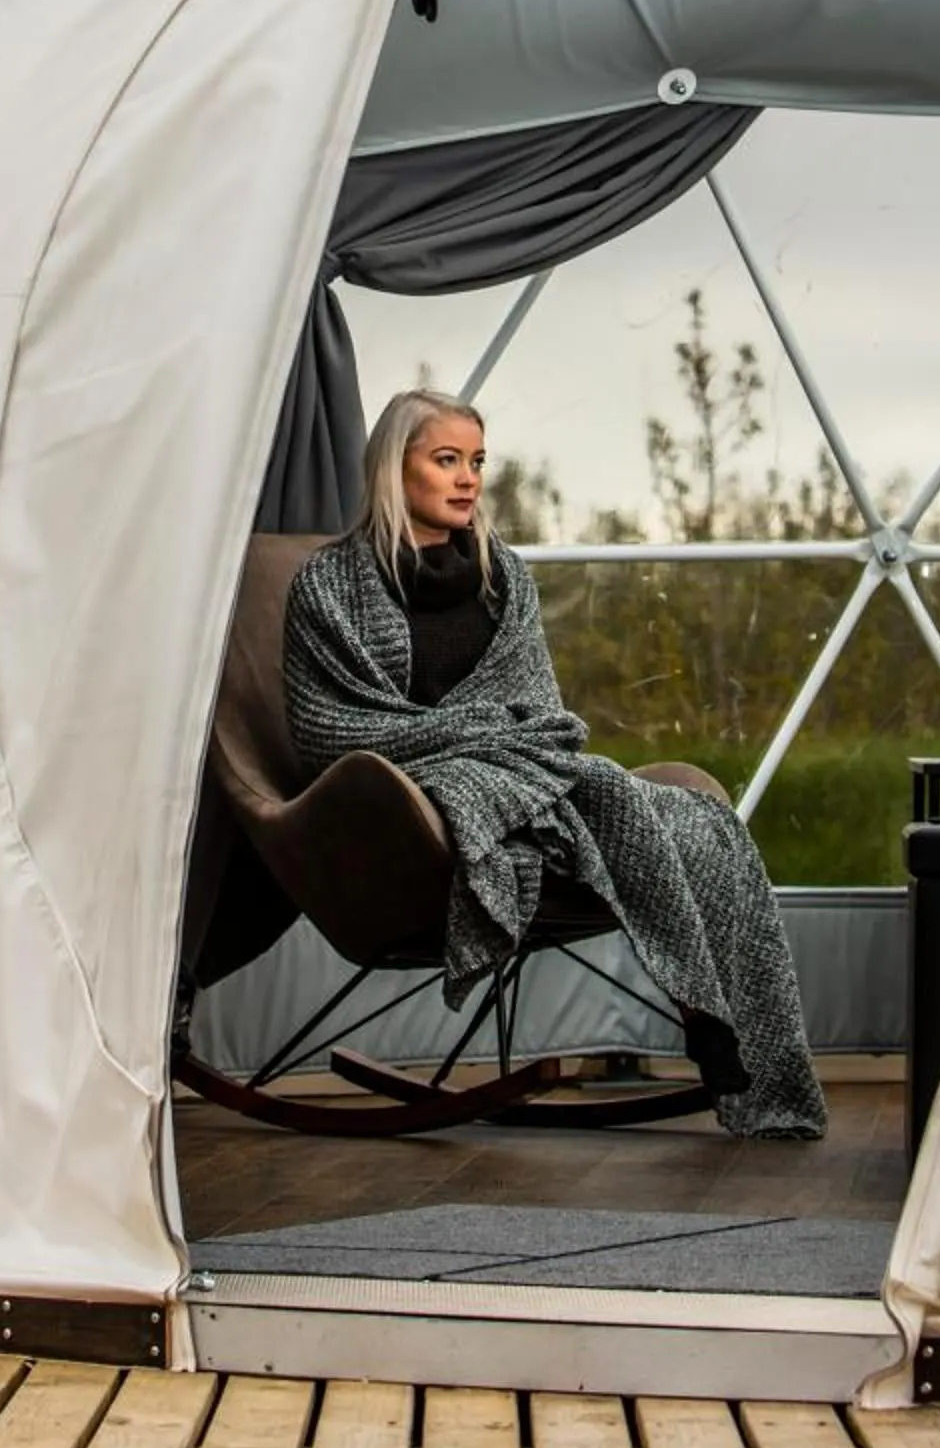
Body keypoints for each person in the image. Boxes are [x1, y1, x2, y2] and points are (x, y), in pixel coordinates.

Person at [282, 388, 825, 1140]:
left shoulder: (500, 576)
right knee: (577, 792)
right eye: (446, 460)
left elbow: (538, 710)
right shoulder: (328, 585)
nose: (468, 478)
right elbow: (332, 732)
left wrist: (504, 743)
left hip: (527, 774)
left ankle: (717, 1023)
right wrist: (475, 736)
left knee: (695, 825)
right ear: (390, 468)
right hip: (407, 803)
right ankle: (704, 1014)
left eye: (476, 461)